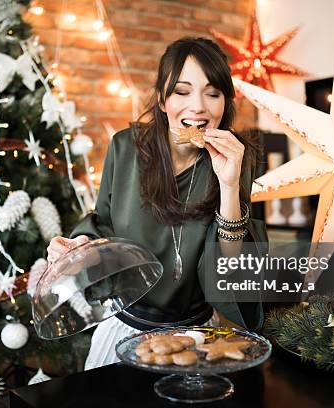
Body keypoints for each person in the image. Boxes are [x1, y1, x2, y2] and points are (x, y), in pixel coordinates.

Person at [47, 37, 267, 370]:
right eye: (182, 91)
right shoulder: (126, 147)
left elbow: (230, 264)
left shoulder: (236, 157)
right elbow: (103, 223)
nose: (198, 107)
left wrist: (229, 184)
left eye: (212, 93)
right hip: (125, 325)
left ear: (225, 102)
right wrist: (80, 246)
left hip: (197, 334)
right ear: (163, 100)